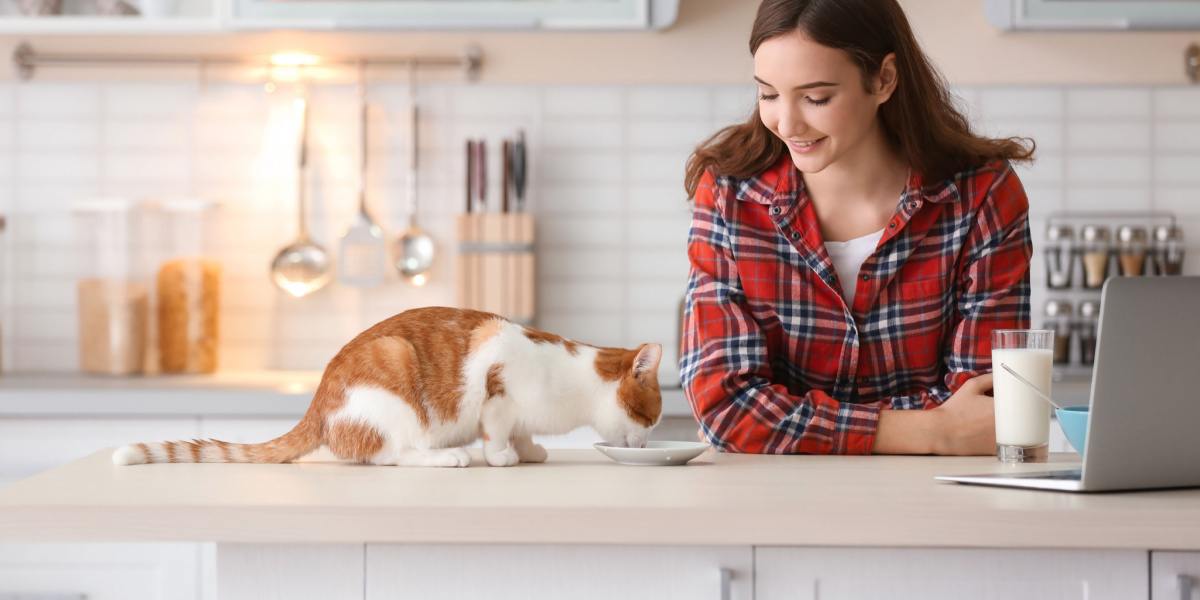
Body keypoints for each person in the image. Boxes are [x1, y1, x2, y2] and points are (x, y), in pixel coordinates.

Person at [680, 0, 1036, 456]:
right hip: (773, 507)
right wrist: (932, 432)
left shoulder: (982, 196)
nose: (786, 124)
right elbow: (725, 405)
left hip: (933, 505)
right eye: (768, 94)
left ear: (884, 79)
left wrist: (787, 421)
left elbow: (983, 410)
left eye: (816, 98)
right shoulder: (731, 194)